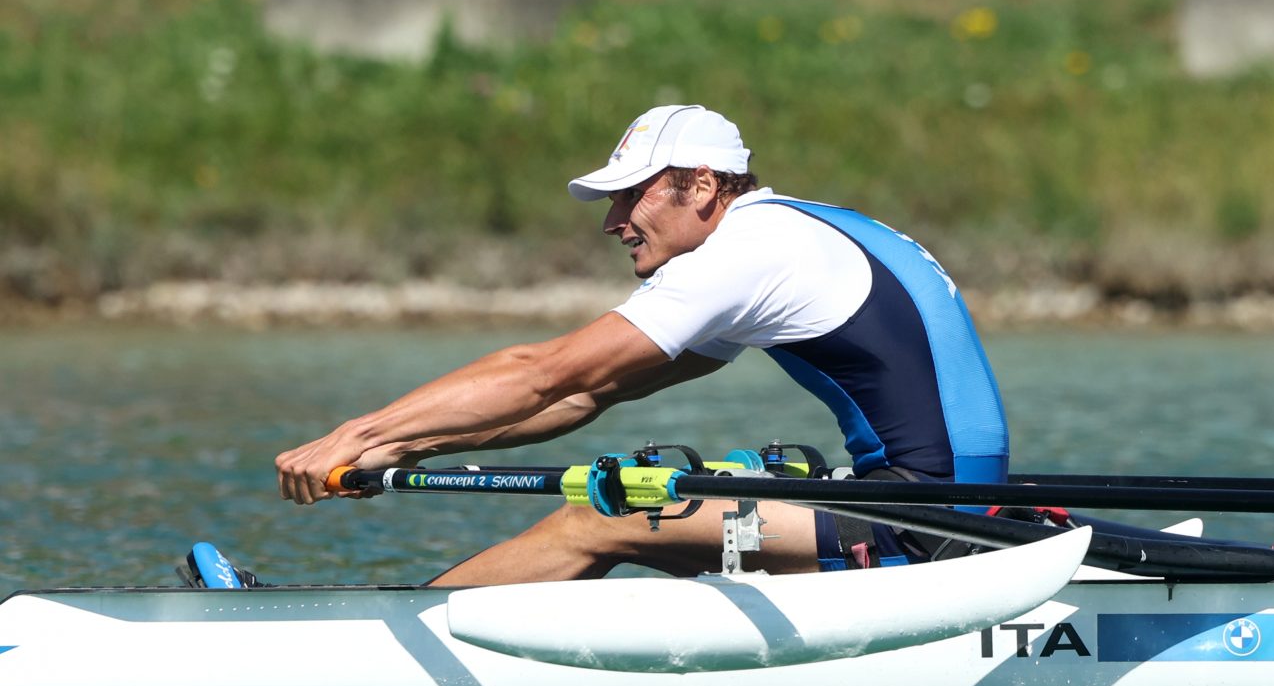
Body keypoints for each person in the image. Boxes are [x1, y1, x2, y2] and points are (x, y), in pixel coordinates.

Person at [273, 104, 1008, 585]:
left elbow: (543, 372)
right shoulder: (791, 229)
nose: (613, 220)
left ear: (700, 185)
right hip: (947, 500)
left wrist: (355, 433)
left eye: (632, 195)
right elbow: (591, 392)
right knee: (680, 484)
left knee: (605, 514)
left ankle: (389, 631)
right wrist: (405, 449)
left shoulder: (746, 253)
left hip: (921, 521)